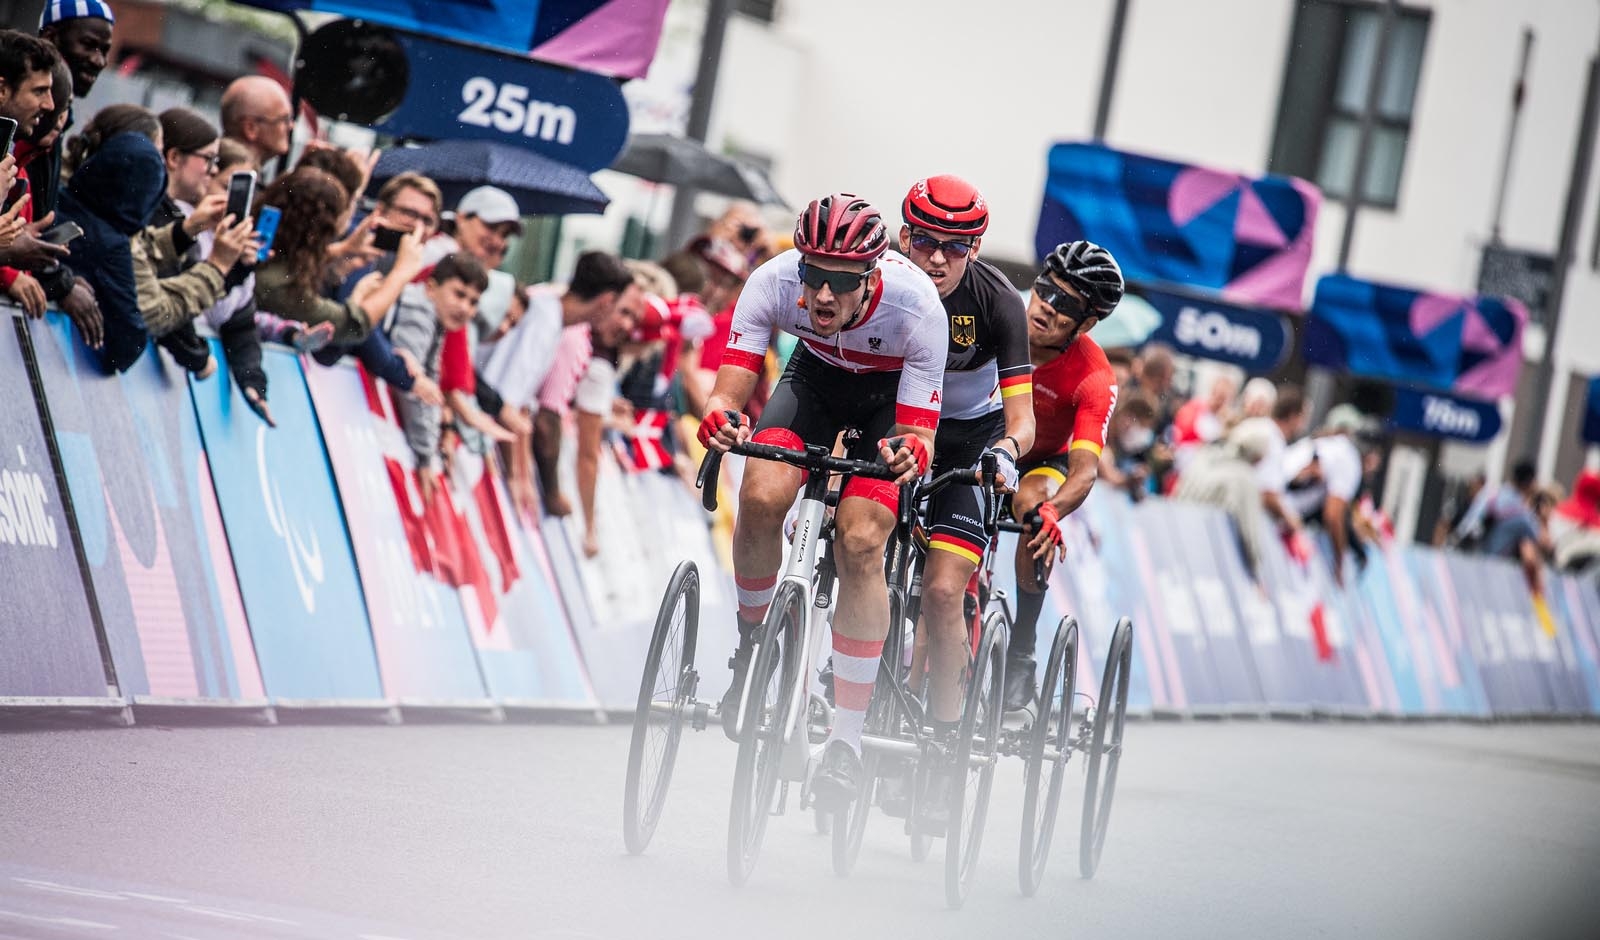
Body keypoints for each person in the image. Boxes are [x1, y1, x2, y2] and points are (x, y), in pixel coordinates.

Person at [699, 193, 946, 808]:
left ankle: (846, 742)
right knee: (760, 493)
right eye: (815, 276)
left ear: (873, 274)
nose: (825, 296)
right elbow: (729, 388)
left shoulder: (918, 308)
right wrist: (721, 421)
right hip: (811, 381)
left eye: (843, 282)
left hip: (887, 399)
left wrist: (908, 456)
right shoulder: (773, 281)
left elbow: (919, 437)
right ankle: (751, 654)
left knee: (862, 541)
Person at [896, 176, 1033, 763]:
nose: (935, 257)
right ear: (904, 236)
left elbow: (1022, 421)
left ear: (973, 249)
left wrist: (1005, 452)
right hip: (898, 427)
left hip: (967, 443)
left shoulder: (999, 302)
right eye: (925, 240)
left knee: (945, 591)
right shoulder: (880, 281)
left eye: (954, 246)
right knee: (856, 544)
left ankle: (944, 741)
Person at [1004, 241, 1124, 712]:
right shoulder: (1000, 316)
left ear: (1087, 323)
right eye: (1044, 291)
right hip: (978, 440)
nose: (1046, 308)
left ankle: (1020, 650)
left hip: (1039, 460)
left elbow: (1085, 471)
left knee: (1035, 515)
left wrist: (1053, 511)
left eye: (1066, 305)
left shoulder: (1094, 377)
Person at [477, 250, 636, 519]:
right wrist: (516, 478)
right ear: (606, 301)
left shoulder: (550, 314)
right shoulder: (545, 320)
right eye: (622, 309)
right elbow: (508, 402)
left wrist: (521, 474)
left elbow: (521, 408)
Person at [253, 167, 422, 344]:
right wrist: (401, 274)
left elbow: (292, 257)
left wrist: (345, 248)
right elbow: (350, 327)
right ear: (325, 230)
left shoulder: (264, 254)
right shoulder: (280, 285)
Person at [386, 252, 490, 503]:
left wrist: (429, 451)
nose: (465, 308)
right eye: (459, 295)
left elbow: (430, 381)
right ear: (431, 288)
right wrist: (424, 457)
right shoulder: (418, 311)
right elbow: (413, 387)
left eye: (473, 302)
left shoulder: (437, 318)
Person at [1175, 417, 1281, 579]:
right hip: (1207, 554)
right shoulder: (1245, 478)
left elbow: (1178, 492)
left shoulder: (1205, 457)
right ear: (1259, 455)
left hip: (1179, 538)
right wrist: (1256, 573)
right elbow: (1249, 529)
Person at [34, 0, 114, 216]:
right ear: (50, 37)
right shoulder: (24, 119)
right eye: (88, 45)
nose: (99, 61)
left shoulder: (60, 119)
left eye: (105, 50)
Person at [1281, 404, 1374, 587]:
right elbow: (1334, 516)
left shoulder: (1319, 442)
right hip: (1281, 513)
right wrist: (1340, 562)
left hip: (1277, 504)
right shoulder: (1347, 457)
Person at [219, 75, 294, 169]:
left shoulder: (222, 173)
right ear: (250, 128)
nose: (291, 126)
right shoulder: (235, 177)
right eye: (284, 119)